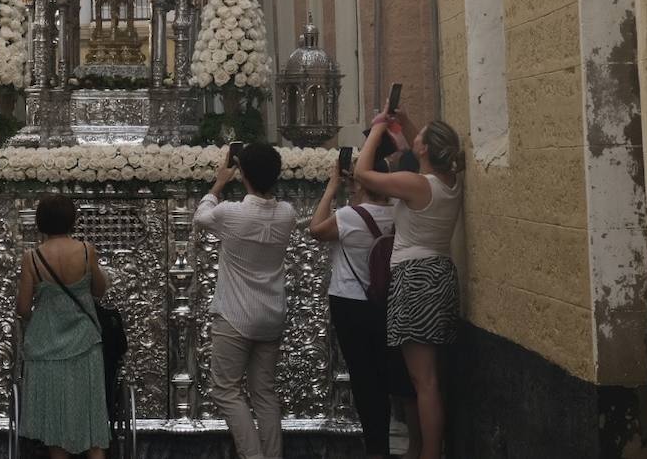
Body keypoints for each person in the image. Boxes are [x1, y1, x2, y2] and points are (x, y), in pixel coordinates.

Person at [354, 112, 463, 459]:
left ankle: (431, 454)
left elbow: (362, 173)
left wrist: (377, 130)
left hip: (415, 278)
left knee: (424, 383)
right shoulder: (449, 180)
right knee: (431, 379)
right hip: (441, 273)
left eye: (420, 138)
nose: (413, 140)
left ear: (428, 149)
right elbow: (426, 154)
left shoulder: (417, 185)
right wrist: (406, 123)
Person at [194, 143, 297, 459]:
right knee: (263, 392)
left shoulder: (231, 213)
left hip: (236, 315)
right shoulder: (287, 214)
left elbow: (200, 218)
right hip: (270, 313)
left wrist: (219, 183)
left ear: (243, 174)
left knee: (226, 390)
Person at [309, 158, 415, 459]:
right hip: (387, 300)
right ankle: (408, 442)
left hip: (349, 301)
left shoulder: (350, 216)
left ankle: (377, 449)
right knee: (387, 371)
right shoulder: (399, 213)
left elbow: (316, 229)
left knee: (364, 377)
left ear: (362, 183)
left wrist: (331, 188)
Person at [16, 194, 111, 459]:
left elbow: (22, 308)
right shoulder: (85, 250)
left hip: (46, 346)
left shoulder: (32, 258)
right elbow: (99, 290)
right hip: (84, 342)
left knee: (55, 428)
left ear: (40, 222)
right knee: (92, 422)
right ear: (72, 220)